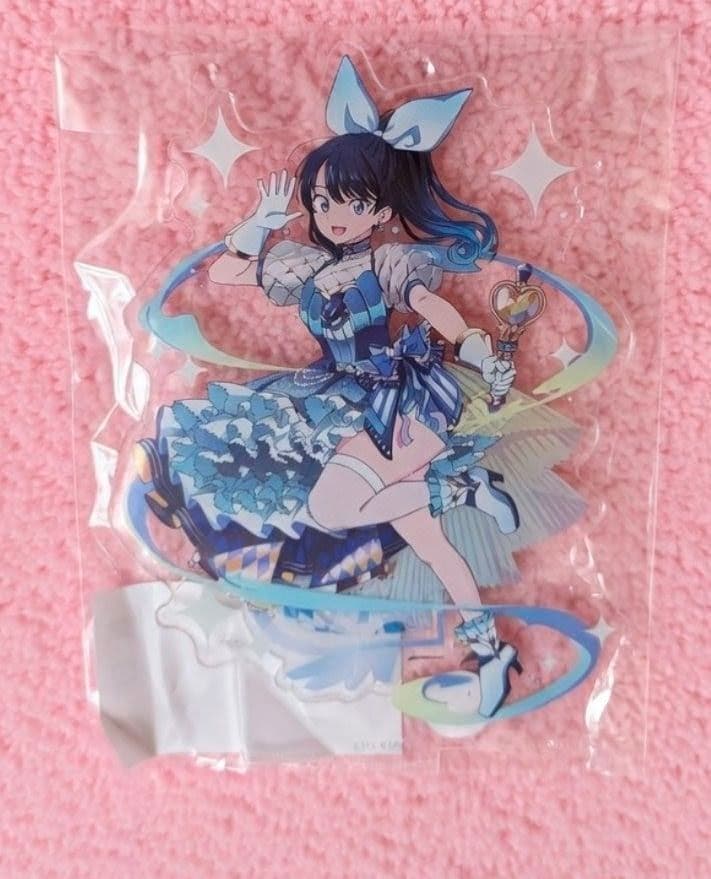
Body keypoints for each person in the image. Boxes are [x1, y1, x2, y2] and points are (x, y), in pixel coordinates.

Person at [137, 56, 524, 716]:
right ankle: (491, 652)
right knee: (429, 541)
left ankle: (464, 489)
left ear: (381, 209)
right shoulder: (304, 265)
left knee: (333, 510)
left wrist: (479, 348)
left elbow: (432, 308)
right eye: (321, 201)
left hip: (393, 401)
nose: (333, 213)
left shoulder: (390, 262)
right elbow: (226, 273)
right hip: (333, 400)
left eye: (351, 202)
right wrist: (261, 222)